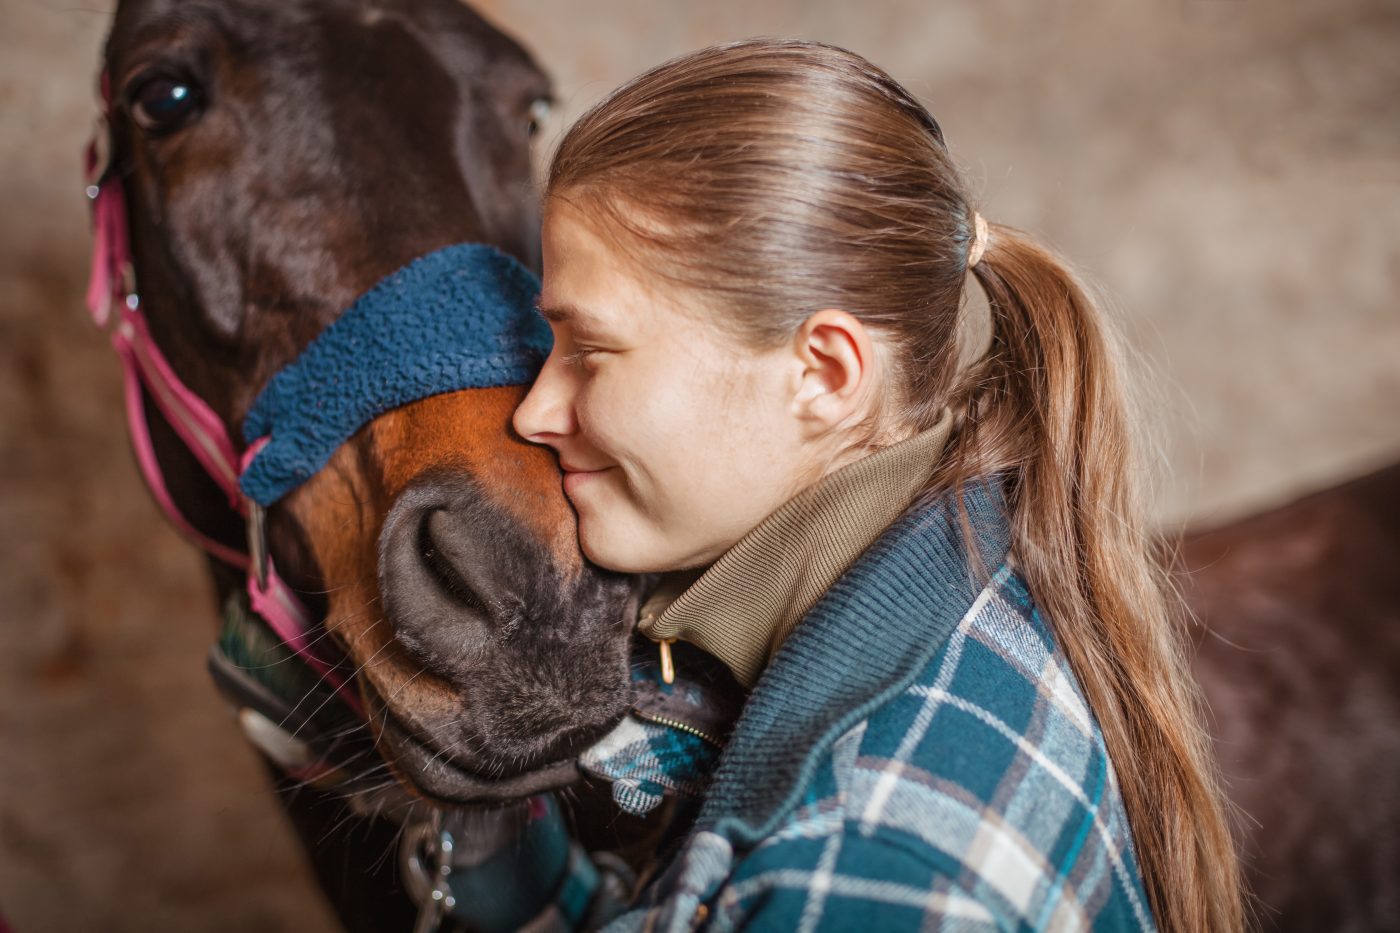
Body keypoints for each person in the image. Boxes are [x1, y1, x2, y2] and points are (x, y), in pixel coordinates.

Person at [509, 38, 1243, 932]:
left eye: (589, 351)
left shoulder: (865, 868)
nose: (535, 412)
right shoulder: (969, 567)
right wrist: (530, 887)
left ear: (822, 371)